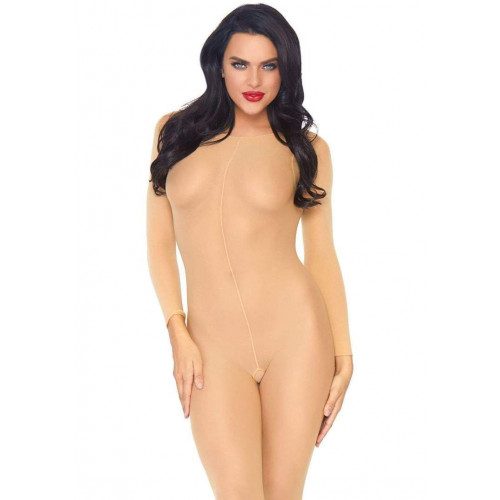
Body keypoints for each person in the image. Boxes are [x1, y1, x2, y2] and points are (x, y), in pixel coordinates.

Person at [147, 4, 353, 498]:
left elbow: (321, 254)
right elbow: (158, 240)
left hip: (297, 338)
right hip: (211, 347)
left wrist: (344, 353)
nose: (254, 80)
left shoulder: (307, 148)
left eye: (269, 65)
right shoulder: (174, 132)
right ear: (219, 65)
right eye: (240, 64)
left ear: (286, 68)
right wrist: (177, 329)